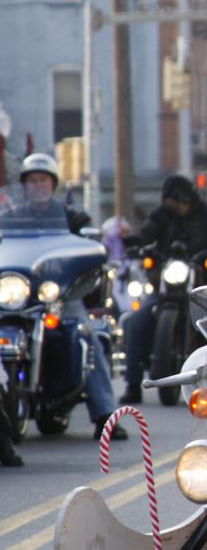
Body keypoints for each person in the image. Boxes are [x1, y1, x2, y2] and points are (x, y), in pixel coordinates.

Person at [6, 154, 126, 440]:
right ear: (24, 185)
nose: (38, 185)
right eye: (32, 180)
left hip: (61, 294)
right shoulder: (9, 217)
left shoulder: (73, 217)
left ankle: (106, 415)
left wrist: (89, 246)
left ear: (53, 184)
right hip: (20, 296)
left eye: (43, 180)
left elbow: (92, 248)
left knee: (87, 337)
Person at [118, 174, 207, 405]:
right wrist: (135, 242)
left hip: (203, 289)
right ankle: (133, 384)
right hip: (167, 288)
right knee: (137, 320)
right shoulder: (161, 216)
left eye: (178, 202)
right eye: (170, 204)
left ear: (188, 199)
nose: (175, 208)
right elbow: (147, 232)